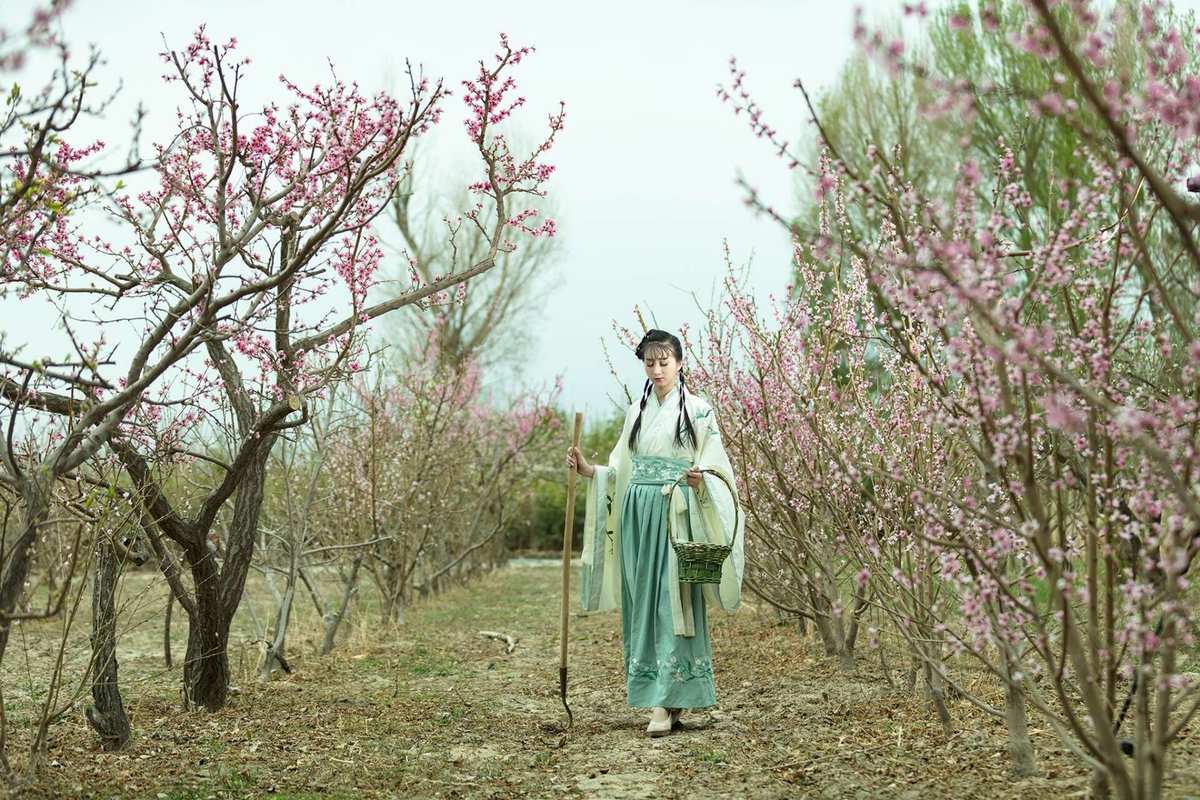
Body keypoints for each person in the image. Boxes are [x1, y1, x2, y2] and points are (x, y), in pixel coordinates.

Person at [566, 329, 744, 737]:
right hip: (637, 513)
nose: (657, 369)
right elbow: (621, 468)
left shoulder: (698, 411)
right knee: (643, 598)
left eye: (665, 361)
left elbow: (718, 469)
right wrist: (588, 472)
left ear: (680, 363)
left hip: (675, 512)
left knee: (672, 600)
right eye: (650, 362)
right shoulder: (636, 411)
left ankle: (667, 700)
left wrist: (703, 481)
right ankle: (660, 694)